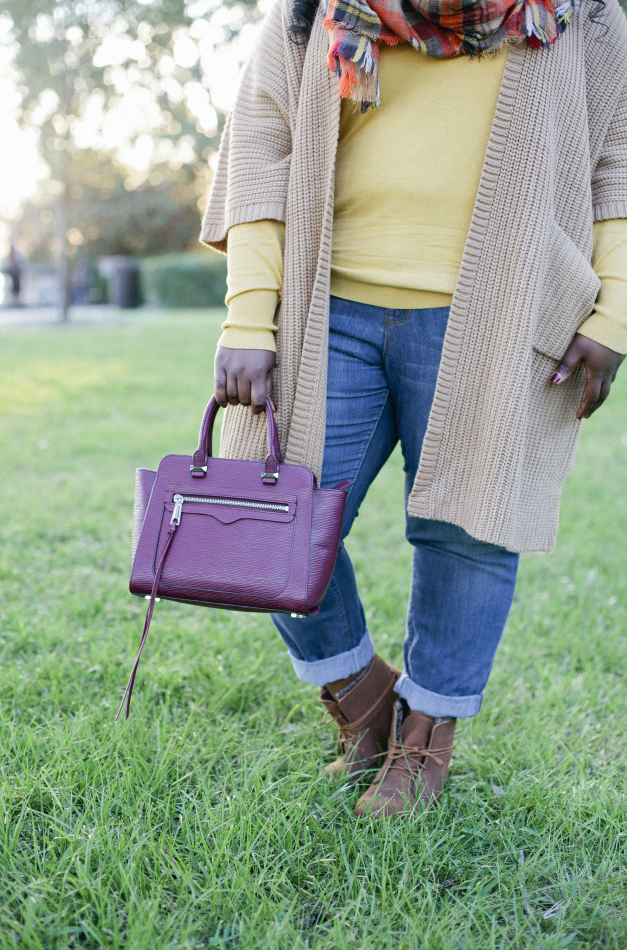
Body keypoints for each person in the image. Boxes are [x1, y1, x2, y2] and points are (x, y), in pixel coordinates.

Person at [200, 0, 627, 817]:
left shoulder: (584, 14)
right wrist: (249, 313)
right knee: (264, 527)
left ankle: (426, 737)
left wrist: (616, 312)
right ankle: (365, 705)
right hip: (326, 312)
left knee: (467, 532)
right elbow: (260, 148)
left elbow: (617, 159)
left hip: (503, 311)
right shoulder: (312, 10)